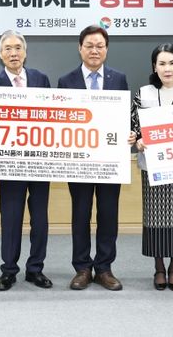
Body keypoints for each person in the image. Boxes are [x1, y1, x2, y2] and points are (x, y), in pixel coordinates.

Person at [58, 25, 129, 291]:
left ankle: (104, 268)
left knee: (109, 214)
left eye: (100, 46)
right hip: (79, 161)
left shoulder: (118, 79)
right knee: (81, 214)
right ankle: (82, 268)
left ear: (106, 49)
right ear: (80, 48)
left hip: (110, 161)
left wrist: (130, 133)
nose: (94, 50)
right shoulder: (66, 81)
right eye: (89, 46)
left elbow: (125, 117)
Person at [0, 30, 53, 291]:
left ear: (25, 52)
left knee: (40, 219)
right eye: (8, 49)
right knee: (11, 218)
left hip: (39, 161)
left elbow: (53, 117)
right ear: (0, 54)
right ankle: (9, 270)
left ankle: (35, 269)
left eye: (18, 48)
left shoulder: (40, 79)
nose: (13, 53)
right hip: (9, 163)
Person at [130, 43, 173, 291]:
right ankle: (159, 268)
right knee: (155, 217)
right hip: (152, 167)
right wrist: (137, 140)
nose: (167, 68)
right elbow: (133, 128)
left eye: (172, 63)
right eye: (162, 63)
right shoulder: (143, 93)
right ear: (154, 67)